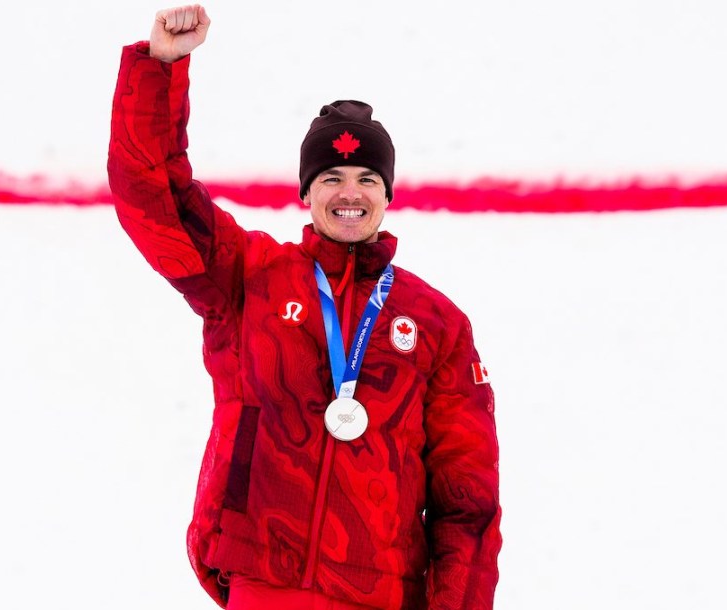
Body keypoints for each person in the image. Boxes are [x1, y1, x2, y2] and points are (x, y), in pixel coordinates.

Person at [108, 5, 501, 609]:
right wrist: (162, 68)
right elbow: (154, 196)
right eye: (332, 177)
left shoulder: (437, 324)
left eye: (368, 178)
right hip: (264, 582)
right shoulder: (248, 278)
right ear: (307, 192)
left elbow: (466, 501)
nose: (350, 193)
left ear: (387, 195)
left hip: (381, 597)